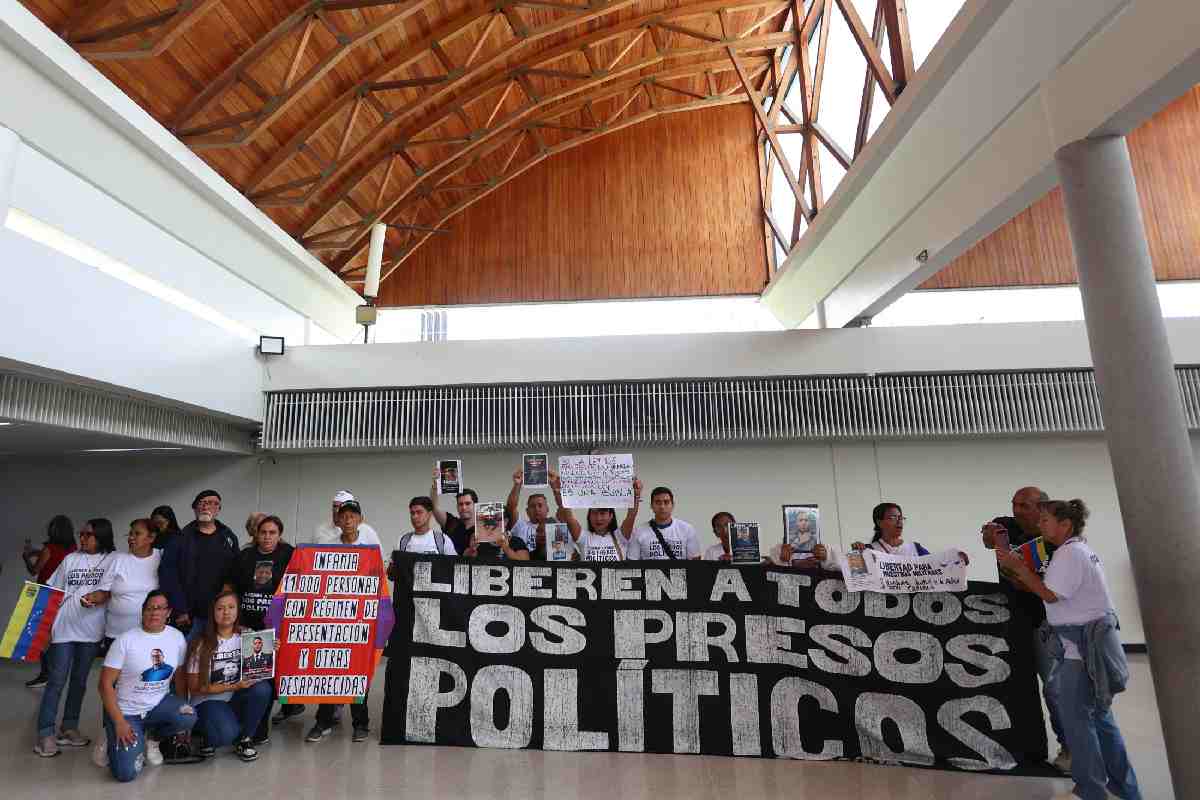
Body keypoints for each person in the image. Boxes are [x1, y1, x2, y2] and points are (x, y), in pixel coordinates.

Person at [997, 500, 1141, 800]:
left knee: (1079, 725)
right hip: (1085, 646)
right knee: (1100, 718)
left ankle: (1093, 789)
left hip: (1080, 651)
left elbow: (1049, 595)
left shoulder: (1069, 554)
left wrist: (1019, 568)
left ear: (1066, 524)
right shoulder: (1078, 550)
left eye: (1046, 519)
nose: (1040, 524)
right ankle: (1123, 787)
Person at [981, 486, 1069, 773]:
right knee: (1013, 688)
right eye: (1015, 504)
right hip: (1011, 623)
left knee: (1055, 689)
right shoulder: (1006, 525)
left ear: (1042, 508)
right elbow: (987, 539)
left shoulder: (1053, 542)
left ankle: (1069, 747)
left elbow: (1035, 586)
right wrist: (989, 535)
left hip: (1045, 624)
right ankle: (1024, 749)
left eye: (1025, 506)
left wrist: (1011, 562)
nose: (1018, 510)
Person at [34, 518, 118, 757]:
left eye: (87, 534)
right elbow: (52, 591)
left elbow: (115, 589)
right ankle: (45, 733)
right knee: (56, 681)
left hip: (91, 631)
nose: (81, 538)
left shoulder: (113, 560)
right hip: (63, 629)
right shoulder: (71, 559)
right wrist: (40, 628)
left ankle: (69, 727)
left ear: (101, 536)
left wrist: (100, 596)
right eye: (81, 534)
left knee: (79, 682)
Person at [305, 500, 381, 744]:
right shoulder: (326, 547)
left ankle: (361, 723)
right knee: (329, 668)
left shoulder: (370, 548)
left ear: (360, 519)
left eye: (352, 516)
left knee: (358, 671)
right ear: (337, 520)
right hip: (332, 618)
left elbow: (379, 585)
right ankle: (323, 720)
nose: (347, 520)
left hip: (361, 619)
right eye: (343, 515)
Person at [99, 590, 195, 782]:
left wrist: (183, 704)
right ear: (142, 612)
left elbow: (180, 677)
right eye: (150, 608)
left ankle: (152, 740)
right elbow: (104, 684)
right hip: (126, 711)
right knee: (126, 773)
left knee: (188, 716)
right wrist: (119, 722)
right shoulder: (125, 640)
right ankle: (111, 740)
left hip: (157, 705)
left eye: (160, 608)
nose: (154, 612)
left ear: (168, 613)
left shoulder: (176, 638)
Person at [92, 519, 162, 766]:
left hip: (149, 637)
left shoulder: (160, 558)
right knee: (113, 686)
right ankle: (106, 734)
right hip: (118, 634)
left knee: (148, 685)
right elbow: (104, 591)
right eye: (130, 533)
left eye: (137, 534)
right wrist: (91, 598)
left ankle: (150, 737)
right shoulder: (117, 559)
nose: (131, 538)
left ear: (151, 537)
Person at [185, 592, 272, 762]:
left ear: (238, 611)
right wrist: (233, 686)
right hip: (207, 701)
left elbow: (260, 669)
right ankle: (206, 736)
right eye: (220, 608)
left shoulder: (247, 635)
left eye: (231, 607)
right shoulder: (201, 643)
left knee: (262, 689)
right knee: (225, 736)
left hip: (234, 697)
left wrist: (272, 648)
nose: (226, 612)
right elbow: (195, 688)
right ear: (213, 612)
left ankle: (245, 739)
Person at [228, 515, 294, 739]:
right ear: (256, 534)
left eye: (272, 533)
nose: (267, 537)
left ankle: (259, 729)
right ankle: (242, 725)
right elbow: (232, 589)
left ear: (279, 535)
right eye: (263, 532)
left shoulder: (289, 554)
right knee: (248, 678)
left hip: (274, 628)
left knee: (268, 680)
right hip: (246, 626)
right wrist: (234, 622)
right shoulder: (245, 556)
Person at [159, 490, 239, 640]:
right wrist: (180, 608)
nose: (207, 507)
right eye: (203, 503)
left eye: (214, 504)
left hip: (220, 615)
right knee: (187, 657)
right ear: (195, 508)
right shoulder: (180, 539)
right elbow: (168, 575)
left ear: (218, 510)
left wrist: (229, 590)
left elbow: (235, 571)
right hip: (189, 616)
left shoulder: (229, 537)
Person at [21, 515, 76, 689]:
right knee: (56, 636)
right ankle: (56, 673)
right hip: (65, 595)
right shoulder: (74, 548)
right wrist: (37, 552)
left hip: (45, 594)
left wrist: (26, 557)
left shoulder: (48, 548)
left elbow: (34, 570)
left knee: (40, 637)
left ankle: (45, 675)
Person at [505, 467, 570, 557]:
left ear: (547, 509)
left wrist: (556, 488)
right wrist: (517, 485)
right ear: (527, 511)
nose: (536, 509)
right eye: (532, 506)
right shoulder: (521, 526)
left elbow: (564, 507)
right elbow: (511, 508)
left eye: (540, 505)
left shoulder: (555, 523)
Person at [625, 486, 701, 560]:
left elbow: (696, 564)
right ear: (651, 506)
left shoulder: (687, 529)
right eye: (658, 502)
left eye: (666, 502)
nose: (662, 506)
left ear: (673, 505)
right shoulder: (638, 531)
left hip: (679, 573)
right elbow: (632, 564)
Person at [428, 467, 477, 554]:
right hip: (449, 566)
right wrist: (435, 485)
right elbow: (434, 507)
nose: (464, 507)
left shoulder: (482, 528)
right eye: (460, 504)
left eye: (467, 503)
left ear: (475, 505)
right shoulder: (452, 523)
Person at [463, 501, 530, 561]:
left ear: (506, 521)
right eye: (488, 519)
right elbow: (463, 563)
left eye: (497, 519)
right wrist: (471, 550)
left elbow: (525, 564)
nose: (492, 523)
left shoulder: (516, 541)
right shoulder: (478, 541)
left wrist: (506, 548)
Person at [313, 489, 380, 545]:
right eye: (335, 506)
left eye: (341, 506)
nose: (336, 510)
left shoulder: (367, 531)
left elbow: (380, 558)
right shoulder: (321, 531)